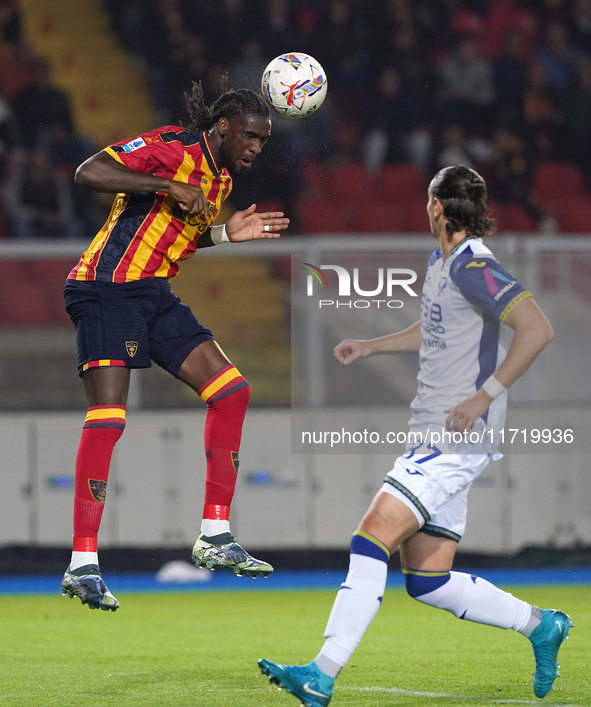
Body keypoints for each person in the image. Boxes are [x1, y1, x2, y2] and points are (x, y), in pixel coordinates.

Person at [259, 165, 572, 705]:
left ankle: (322, 671)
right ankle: (541, 625)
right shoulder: (444, 263)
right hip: (433, 433)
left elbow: (537, 327)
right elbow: (435, 328)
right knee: (427, 579)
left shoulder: (474, 264)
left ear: (437, 206)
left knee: (369, 536)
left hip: (452, 440)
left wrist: (484, 396)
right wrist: (370, 345)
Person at [61, 78, 289, 611]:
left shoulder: (220, 180)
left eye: (264, 141)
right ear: (224, 127)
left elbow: (183, 237)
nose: (257, 147)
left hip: (154, 291)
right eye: (251, 136)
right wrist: (165, 186)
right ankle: (82, 563)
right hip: (105, 286)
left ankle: (214, 534)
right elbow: (86, 171)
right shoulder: (172, 147)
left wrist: (229, 234)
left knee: (232, 392)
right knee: (109, 417)